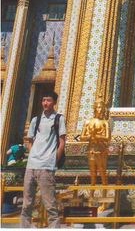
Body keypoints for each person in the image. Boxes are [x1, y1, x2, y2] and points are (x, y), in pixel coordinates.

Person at [21, 90, 66, 228]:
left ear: (54, 102)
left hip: (47, 166)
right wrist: (33, 153)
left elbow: (62, 141)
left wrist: (53, 159)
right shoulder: (36, 119)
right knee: (27, 203)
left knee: (50, 204)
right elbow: (29, 139)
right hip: (32, 165)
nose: (45, 103)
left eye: (48, 100)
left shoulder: (59, 118)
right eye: (43, 100)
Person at [80, 97, 111, 185]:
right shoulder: (88, 122)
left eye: (101, 107)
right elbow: (82, 137)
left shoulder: (105, 122)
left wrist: (96, 136)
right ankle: (91, 194)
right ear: (94, 108)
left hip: (101, 150)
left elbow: (108, 137)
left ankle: (104, 192)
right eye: (97, 107)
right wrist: (90, 136)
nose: (99, 109)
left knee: (102, 171)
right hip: (91, 149)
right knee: (92, 172)